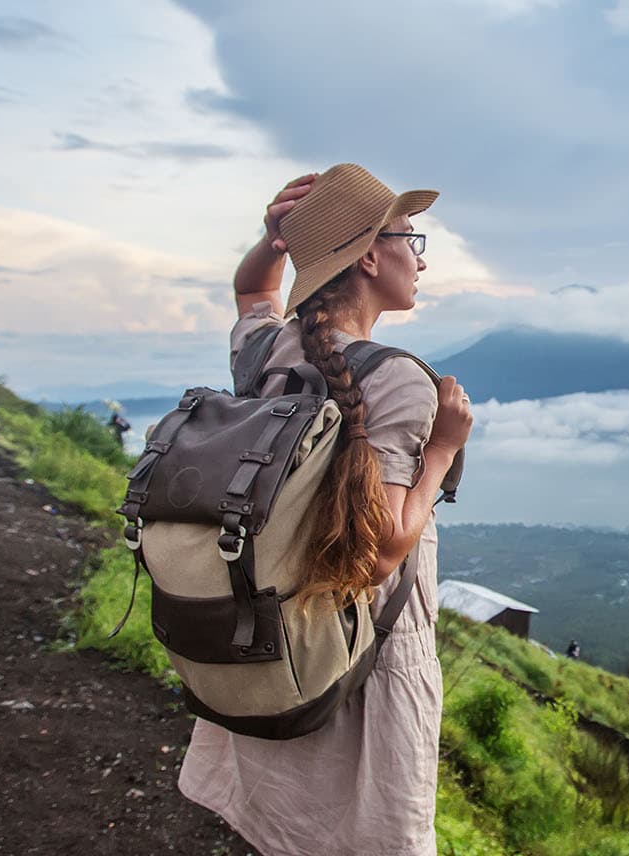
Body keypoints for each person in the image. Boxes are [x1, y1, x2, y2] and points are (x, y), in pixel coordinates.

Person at [177, 165, 474, 856]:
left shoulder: (266, 349)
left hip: (273, 635)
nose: (420, 255)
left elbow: (252, 291)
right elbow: (377, 555)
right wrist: (443, 450)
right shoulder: (398, 379)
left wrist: (272, 242)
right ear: (369, 255)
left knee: (281, 825)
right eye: (410, 237)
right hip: (356, 659)